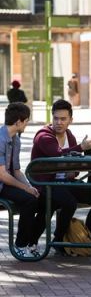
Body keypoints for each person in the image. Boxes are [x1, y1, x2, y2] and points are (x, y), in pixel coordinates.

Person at [31, 99, 91, 255]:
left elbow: (74, 165)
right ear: (51, 118)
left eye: (63, 119)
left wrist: (74, 172)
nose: (59, 122)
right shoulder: (43, 136)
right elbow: (58, 155)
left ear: (70, 120)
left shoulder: (69, 135)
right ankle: (58, 239)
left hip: (64, 183)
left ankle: (88, 239)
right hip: (45, 185)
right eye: (56, 118)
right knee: (68, 202)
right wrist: (82, 147)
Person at [0, 103, 41, 257]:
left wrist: (29, 186)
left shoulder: (15, 139)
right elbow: (2, 175)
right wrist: (25, 189)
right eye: (26, 121)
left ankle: (31, 242)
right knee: (29, 200)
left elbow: (16, 170)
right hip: (1, 184)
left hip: (6, 183)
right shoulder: (0, 139)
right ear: (18, 122)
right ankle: (20, 245)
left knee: (39, 196)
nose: (27, 124)